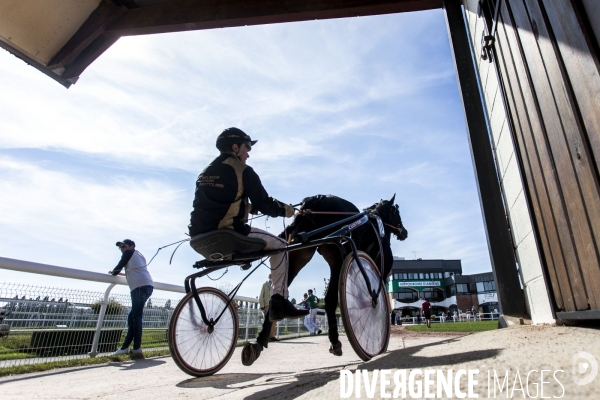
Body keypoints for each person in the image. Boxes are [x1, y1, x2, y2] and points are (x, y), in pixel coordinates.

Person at [188, 128, 308, 363]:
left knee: (259, 244)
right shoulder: (244, 170)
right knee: (281, 246)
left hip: (199, 239)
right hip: (229, 235)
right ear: (236, 148)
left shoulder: (205, 172)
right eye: (247, 148)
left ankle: (247, 264)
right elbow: (266, 204)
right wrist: (290, 210)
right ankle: (279, 302)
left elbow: (221, 201)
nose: (248, 154)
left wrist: (248, 208)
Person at [109, 239, 154, 355]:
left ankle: (136, 347)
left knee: (136, 317)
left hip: (138, 287)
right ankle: (126, 347)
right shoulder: (140, 255)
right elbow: (134, 271)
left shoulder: (129, 253)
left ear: (132, 246)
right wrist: (120, 273)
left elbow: (119, 266)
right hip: (148, 285)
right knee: (132, 317)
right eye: (121, 248)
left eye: (124, 246)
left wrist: (114, 272)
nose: (122, 249)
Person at [259, 274, 278, 341]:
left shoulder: (275, 286)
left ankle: (272, 336)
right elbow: (261, 295)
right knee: (267, 322)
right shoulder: (265, 285)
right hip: (267, 305)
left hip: (274, 306)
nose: (271, 278)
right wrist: (262, 305)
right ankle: (265, 337)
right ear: (269, 277)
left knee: (274, 322)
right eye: (270, 277)